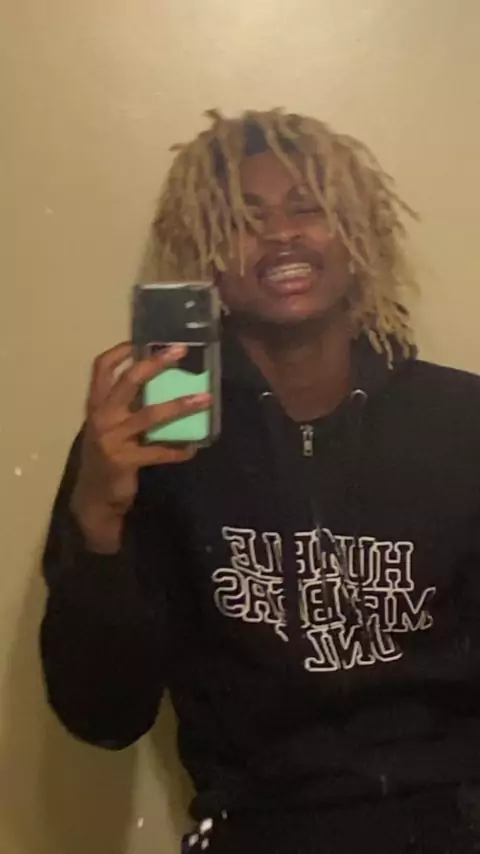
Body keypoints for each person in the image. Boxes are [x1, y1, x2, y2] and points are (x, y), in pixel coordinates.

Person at [40, 108, 480, 853]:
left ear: (358, 234)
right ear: (206, 256)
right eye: (245, 219)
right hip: (258, 830)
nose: (280, 235)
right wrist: (98, 521)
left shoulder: (463, 420)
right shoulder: (143, 440)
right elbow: (102, 717)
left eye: (308, 209)